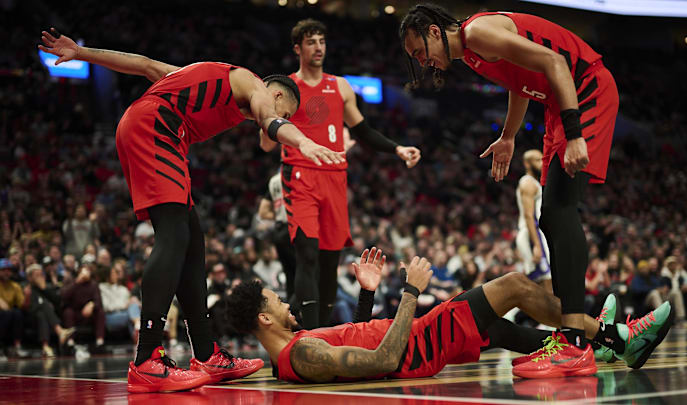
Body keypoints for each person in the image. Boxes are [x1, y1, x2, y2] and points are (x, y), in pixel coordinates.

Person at [39, 27, 345, 393]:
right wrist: (304, 141)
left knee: (191, 242)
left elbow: (143, 64)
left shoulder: (205, 78)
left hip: (159, 132)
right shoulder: (257, 88)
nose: (284, 116)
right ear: (277, 93)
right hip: (156, 129)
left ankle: (206, 352)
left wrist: (83, 54)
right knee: (174, 237)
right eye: (288, 110)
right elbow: (271, 120)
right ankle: (147, 358)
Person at [399, 4, 619, 377]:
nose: (423, 62)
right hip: (557, 104)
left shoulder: (478, 33)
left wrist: (576, 133)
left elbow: (555, 62)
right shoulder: (471, 55)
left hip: (583, 91)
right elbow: (521, 83)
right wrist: (508, 136)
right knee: (551, 217)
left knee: (560, 210)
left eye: (419, 52)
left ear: (434, 31)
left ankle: (574, 343)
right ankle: (574, 335)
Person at [226, 246, 672, 382]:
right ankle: (615, 337)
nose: (284, 301)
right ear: (264, 319)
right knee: (515, 284)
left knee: (494, 326)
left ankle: (593, 344)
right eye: (275, 300)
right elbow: (381, 362)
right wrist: (409, 293)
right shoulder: (300, 355)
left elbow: (355, 337)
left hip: (416, 339)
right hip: (416, 347)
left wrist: (368, 294)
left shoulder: (299, 347)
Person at [259, 19, 422, 329]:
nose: (318, 47)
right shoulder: (286, 89)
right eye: (310, 42)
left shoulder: (341, 87)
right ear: (298, 48)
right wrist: (266, 120)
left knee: (329, 263)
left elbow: (362, 130)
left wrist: (397, 149)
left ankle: (323, 333)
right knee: (307, 256)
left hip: (335, 178)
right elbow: (266, 143)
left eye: (321, 40)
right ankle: (308, 335)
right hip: (300, 176)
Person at [257, 170, 296, 304]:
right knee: (305, 273)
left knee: (290, 274)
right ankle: (304, 314)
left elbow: (262, 212)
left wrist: (279, 216)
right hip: (295, 228)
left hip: (280, 231)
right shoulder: (299, 174)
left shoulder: (274, 180)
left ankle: (293, 313)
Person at [515, 150, 551, 291]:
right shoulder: (528, 183)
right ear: (527, 164)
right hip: (532, 234)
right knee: (546, 286)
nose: (542, 163)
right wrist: (536, 245)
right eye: (537, 160)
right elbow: (529, 216)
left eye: (542, 159)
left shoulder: (534, 183)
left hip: (536, 234)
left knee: (540, 286)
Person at [25, 264, 75, 357]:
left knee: (42, 314)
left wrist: (44, 289)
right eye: (36, 275)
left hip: (45, 318)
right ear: (29, 277)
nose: (39, 277)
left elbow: (58, 301)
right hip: (30, 318)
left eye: (41, 275)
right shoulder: (27, 288)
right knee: (43, 306)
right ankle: (60, 331)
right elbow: (29, 307)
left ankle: (46, 346)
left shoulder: (47, 286)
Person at [0, 258, 28, 358]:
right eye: (3, 270)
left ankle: (17, 347)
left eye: (8, 270)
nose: (6, 273)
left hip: (9, 314)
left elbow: (22, 305)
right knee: (6, 313)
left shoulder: (15, 286)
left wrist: (27, 296)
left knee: (17, 313)